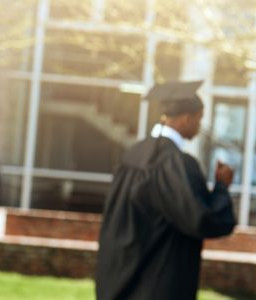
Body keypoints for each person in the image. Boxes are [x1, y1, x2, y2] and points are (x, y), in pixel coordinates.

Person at [95, 81, 237, 300]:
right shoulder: (176, 163)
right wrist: (221, 188)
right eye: (199, 118)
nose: (199, 126)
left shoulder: (133, 154)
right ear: (186, 118)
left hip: (123, 275)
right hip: (159, 280)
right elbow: (202, 220)